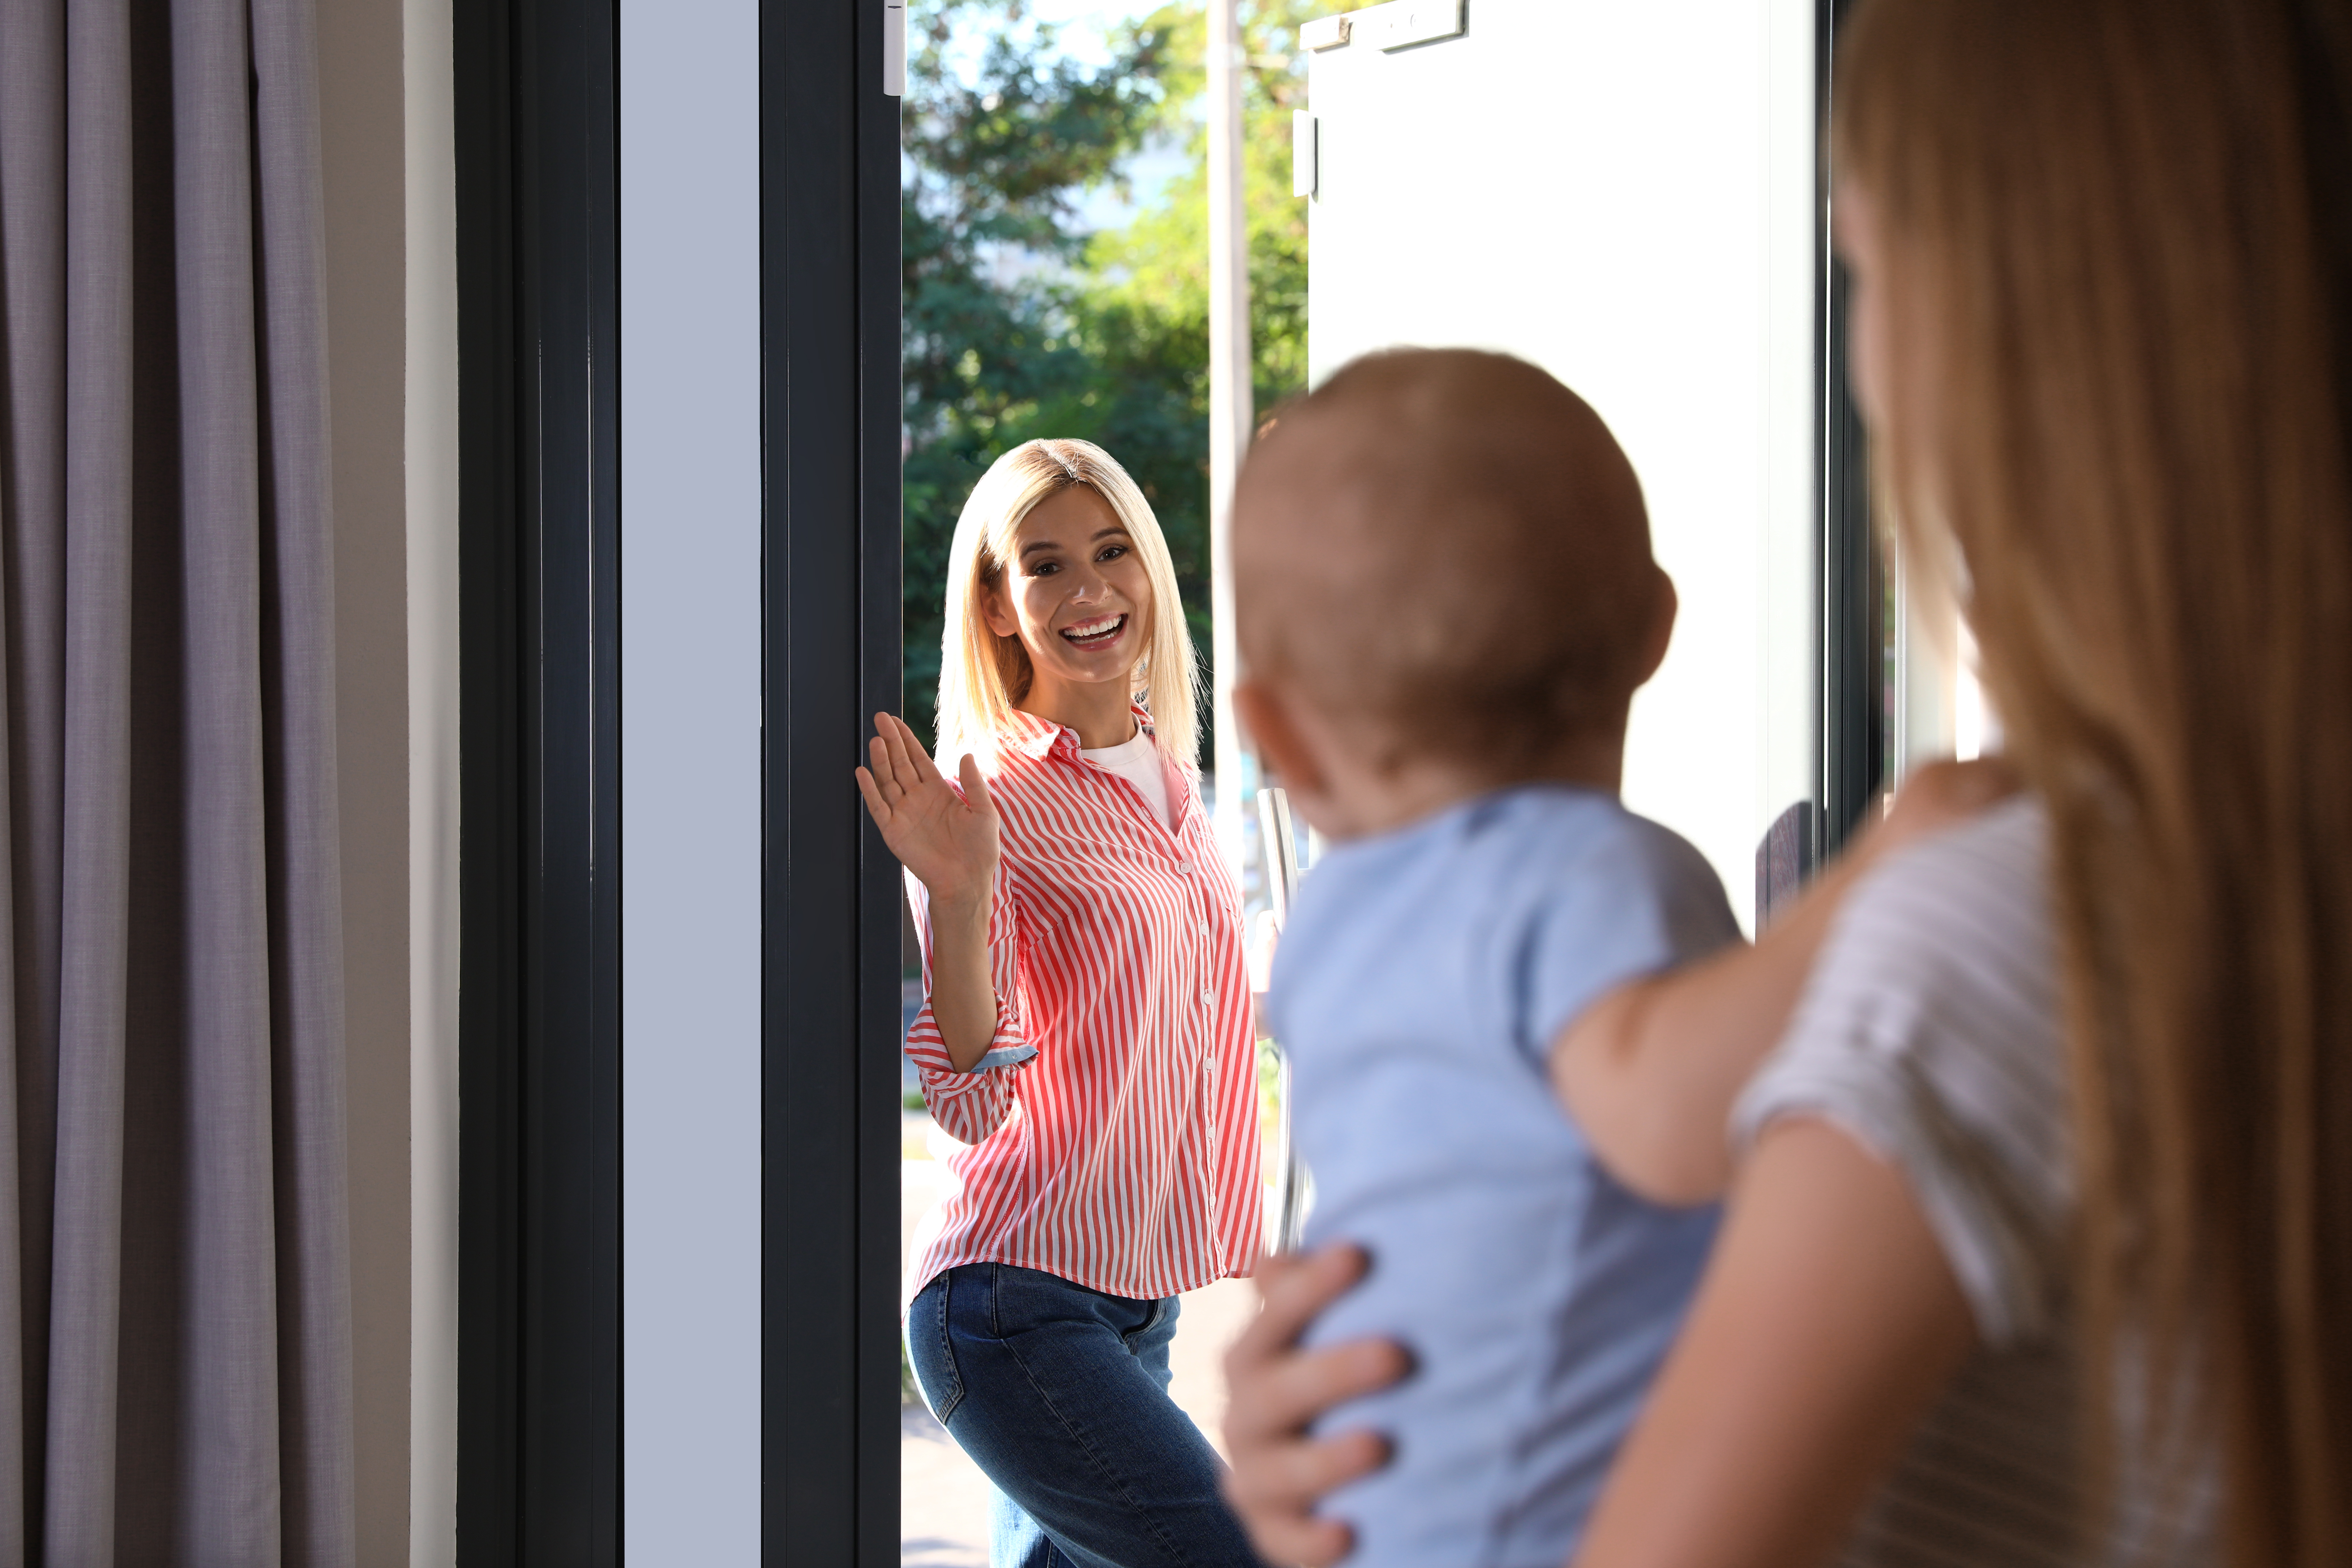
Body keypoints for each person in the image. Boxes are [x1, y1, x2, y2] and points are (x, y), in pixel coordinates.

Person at [1225, 1, 2352, 1563]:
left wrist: (1346, 1492)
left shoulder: (1995, 934)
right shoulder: (2150, 892)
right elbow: (1650, 1117)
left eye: (1868, 267)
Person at [1229, 346, 1996, 1568]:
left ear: (1274, 731)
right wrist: (1871, 878)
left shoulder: (1330, 922)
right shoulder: (1586, 868)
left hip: (1374, 1495)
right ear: (1654, 630)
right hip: (1536, 1516)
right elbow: (1668, 1115)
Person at [856, 438, 1263, 1568]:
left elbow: (1186, 1017)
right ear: (993, 603)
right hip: (1012, 1300)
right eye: (1043, 565)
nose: (1089, 590)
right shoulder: (989, 797)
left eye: (1111, 550)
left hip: (1140, 1303)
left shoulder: (1173, 782)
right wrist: (961, 889)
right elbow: (968, 1095)